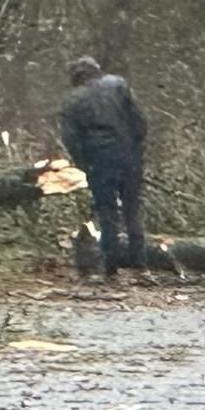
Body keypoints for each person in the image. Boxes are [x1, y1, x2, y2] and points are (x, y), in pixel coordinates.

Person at [58, 56, 148, 276]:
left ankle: (111, 266)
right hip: (128, 155)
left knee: (107, 211)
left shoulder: (72, 102)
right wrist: (136, 148)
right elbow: (140, 121)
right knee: (132, 208)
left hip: (99, 160)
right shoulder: (118, 84)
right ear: (97, 70)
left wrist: (83, 164)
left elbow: (71, 139)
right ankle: (140, 263)